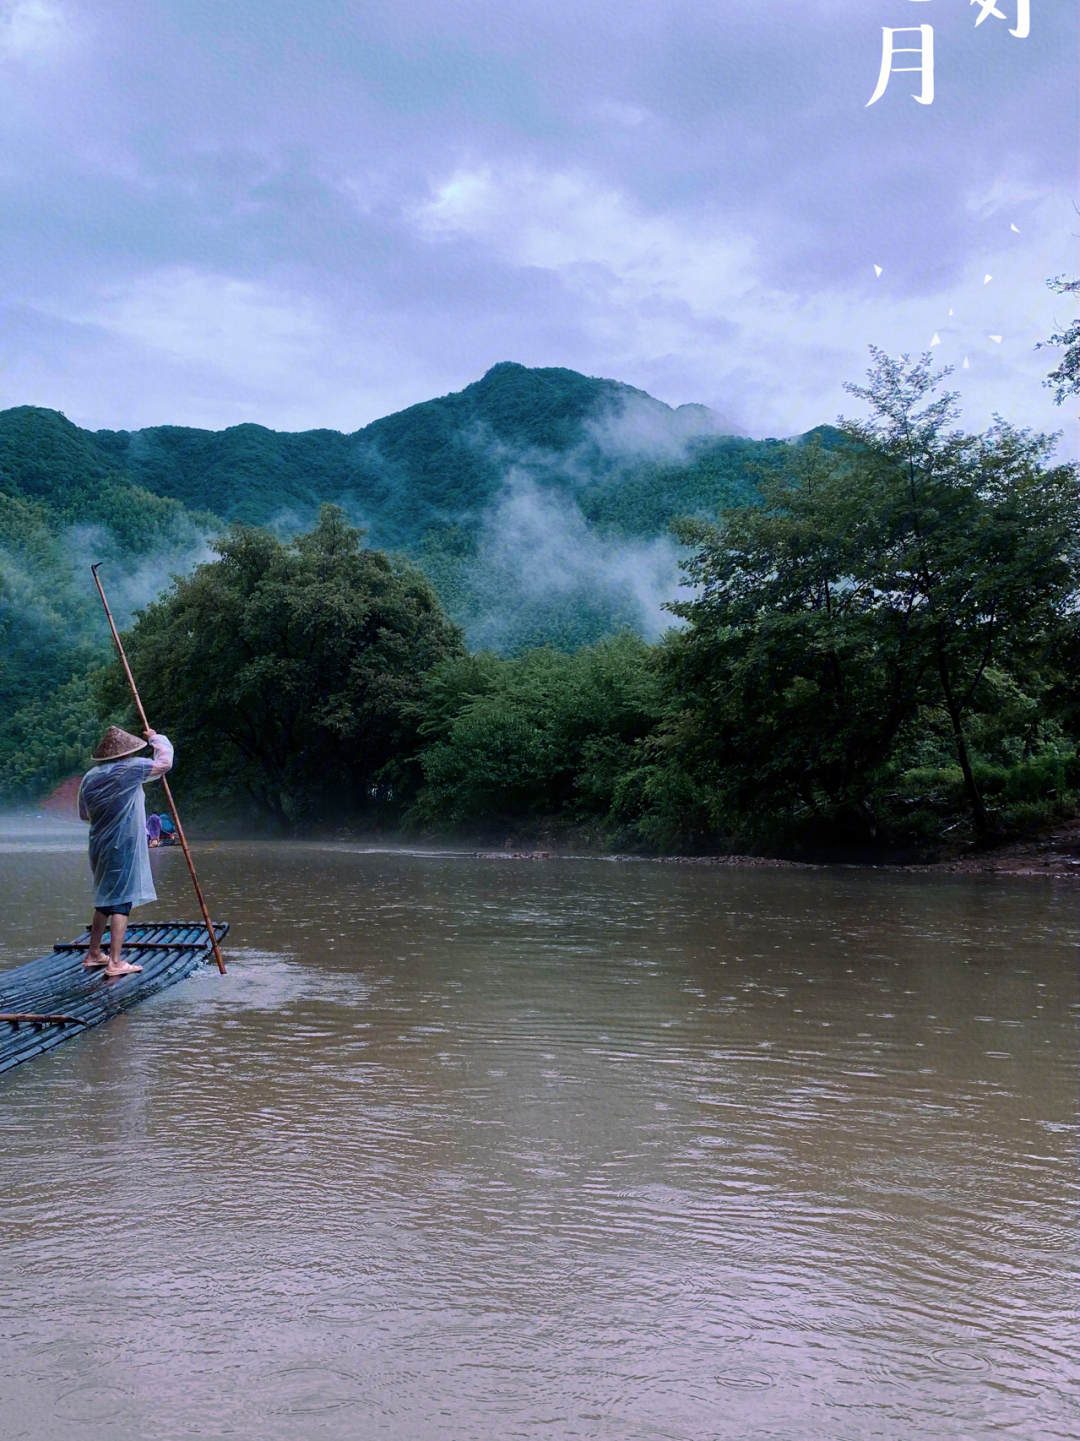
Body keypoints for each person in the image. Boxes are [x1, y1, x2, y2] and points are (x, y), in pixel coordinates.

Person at [77, 726, 174, 977]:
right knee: (121, 902)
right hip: (122, 842)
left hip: (98, 843)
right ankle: (116, 961)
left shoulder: (90, 777)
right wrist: (154, 737)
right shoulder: (130, 769)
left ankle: (94, 953)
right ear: (125, 753)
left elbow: (84, 814)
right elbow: (164, 762)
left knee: (104, 899)